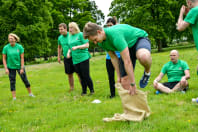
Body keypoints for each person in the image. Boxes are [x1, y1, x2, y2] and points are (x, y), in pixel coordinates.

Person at [83, 22, 152, 95]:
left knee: (143, 57)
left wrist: (133, 83)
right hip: (127, 46)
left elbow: (127, 61)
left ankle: (147, 72)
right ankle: (134, 105)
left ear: (99, 32)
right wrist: (119, 77)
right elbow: (113, 57)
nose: (95, 43)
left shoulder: (115, 36)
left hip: (138, 39)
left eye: (95, 39)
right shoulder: (101, 42)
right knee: (124, 82)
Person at [2, 33, 34, 100]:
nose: (10, 40)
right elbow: (4, 59)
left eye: (12, 38)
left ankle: (30, 94)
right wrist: (6, 68)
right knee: (12, 81)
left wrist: (22, 68)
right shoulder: (6, 48)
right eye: (9, 39)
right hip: (10, 67)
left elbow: (22, 58)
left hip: (19, 66)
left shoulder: (19, 47)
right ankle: (14, 98)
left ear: (15, 39)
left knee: (25, 80)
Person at [67, 22, 94, 95]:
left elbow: (87, 45)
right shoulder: (69, 37)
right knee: (80, 76)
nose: (70, 29)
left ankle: (92, 90)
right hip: (75, 59)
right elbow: (70, 47)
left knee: (86, 75)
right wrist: (68, 52)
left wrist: (77, 47)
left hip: (83, 57)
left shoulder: (80, 34)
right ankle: (84, 91)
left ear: (75, 28)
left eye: (71, 27)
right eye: (69, 28)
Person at [177, 0, 198, 72]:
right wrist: (188, 15)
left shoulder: (194, 10)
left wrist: (181, 13)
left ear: (189, 2)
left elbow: (180, 27)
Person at [105, 17, 121, 98]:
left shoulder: (118, 34)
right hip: (109, 58)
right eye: (107, 26)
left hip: (120, 58)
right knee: (111, 77)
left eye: (110, 25)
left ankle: (124, 92)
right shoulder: (105, 35)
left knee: (122, 76)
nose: (109, 27)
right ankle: (112, 94)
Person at [57, 23, 75, 92]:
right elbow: (59, 48)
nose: (60, 31)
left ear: (65, 29)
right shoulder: (60, 38)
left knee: (78, 73)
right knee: (69, 74)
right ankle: (71, 88)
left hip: (74, 56)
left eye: (61, 29)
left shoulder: (71, 35)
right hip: (66, 58)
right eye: (59, 29)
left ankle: (83, 87)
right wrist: (59, 56)